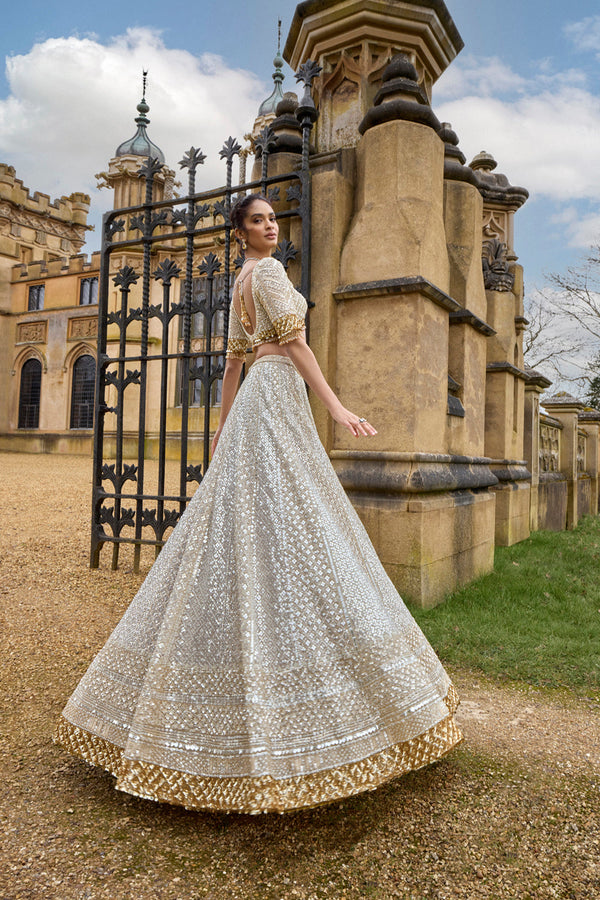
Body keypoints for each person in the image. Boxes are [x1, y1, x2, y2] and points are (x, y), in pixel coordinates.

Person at [55, 194, 462, 814]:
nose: (270, 226)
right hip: (276, 398)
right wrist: (338, 407)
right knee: (296, 517)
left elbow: (230, 365)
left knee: (249, 520)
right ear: (241, 232)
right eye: (258, 221)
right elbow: (294, 348)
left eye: (274, 219)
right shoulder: (266, 273)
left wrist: (223, 426)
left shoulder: (239, 279)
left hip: (254, 404)